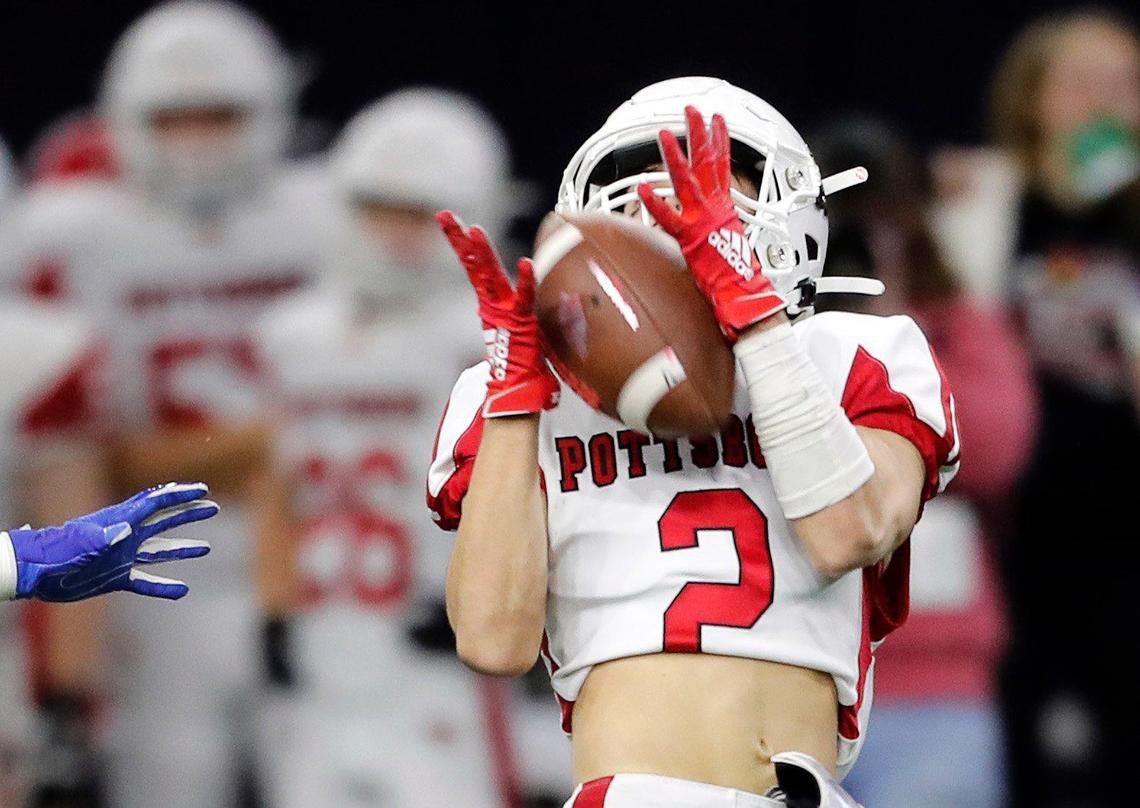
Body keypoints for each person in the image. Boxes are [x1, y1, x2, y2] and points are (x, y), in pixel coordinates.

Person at [428, 76, 960, 807]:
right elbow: (492, 640)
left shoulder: (859, 352)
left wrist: (754, 321)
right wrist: (516, 403)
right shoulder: (518, 399)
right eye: (639, 213)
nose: (668, 233)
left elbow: (848, 530)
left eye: (698, 202)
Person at [0, 3, 331, 806]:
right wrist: (246, 446)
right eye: (175, 118)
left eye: (221, 115)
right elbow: (61, 454)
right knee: (170, 773)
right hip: (153, 548)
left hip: (316, 541)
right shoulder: (64, 235)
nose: (200, 141)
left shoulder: (331, 214)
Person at [252, 87, 542, 807]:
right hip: (326, 638)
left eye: (424, 214)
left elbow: (548, 487)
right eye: (380, 208)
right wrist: (275, 604)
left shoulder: (490, 336)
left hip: (441, 643)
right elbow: (276, 480)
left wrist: (517, 604)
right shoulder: (295, 334)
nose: (398, 236)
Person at [809, 116, 1038, 808]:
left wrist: (892, 322)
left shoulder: (953, 324)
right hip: (798, 665)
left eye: (876, 220)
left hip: (934, 682)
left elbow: (999, 447)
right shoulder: (771, 335)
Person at [985, 11, 1140, 807]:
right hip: (1020, 536)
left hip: (1131, 539)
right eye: (1083, 83)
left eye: (1126, 83)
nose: (1107, 103)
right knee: (1029, 754)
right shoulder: (988, 209)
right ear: (1033, 99)